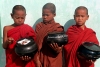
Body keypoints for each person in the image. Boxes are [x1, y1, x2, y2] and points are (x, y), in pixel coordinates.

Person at [34, 3, 64, 67]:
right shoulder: (39, 26)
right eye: (43, 15)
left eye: (47, 15)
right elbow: (35, 44)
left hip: (54, 58)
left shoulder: (58, 28)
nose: (44, 17)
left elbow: (61, 45)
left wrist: (58, 49)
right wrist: (36, 59)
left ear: (54, 15)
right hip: (41, 57)